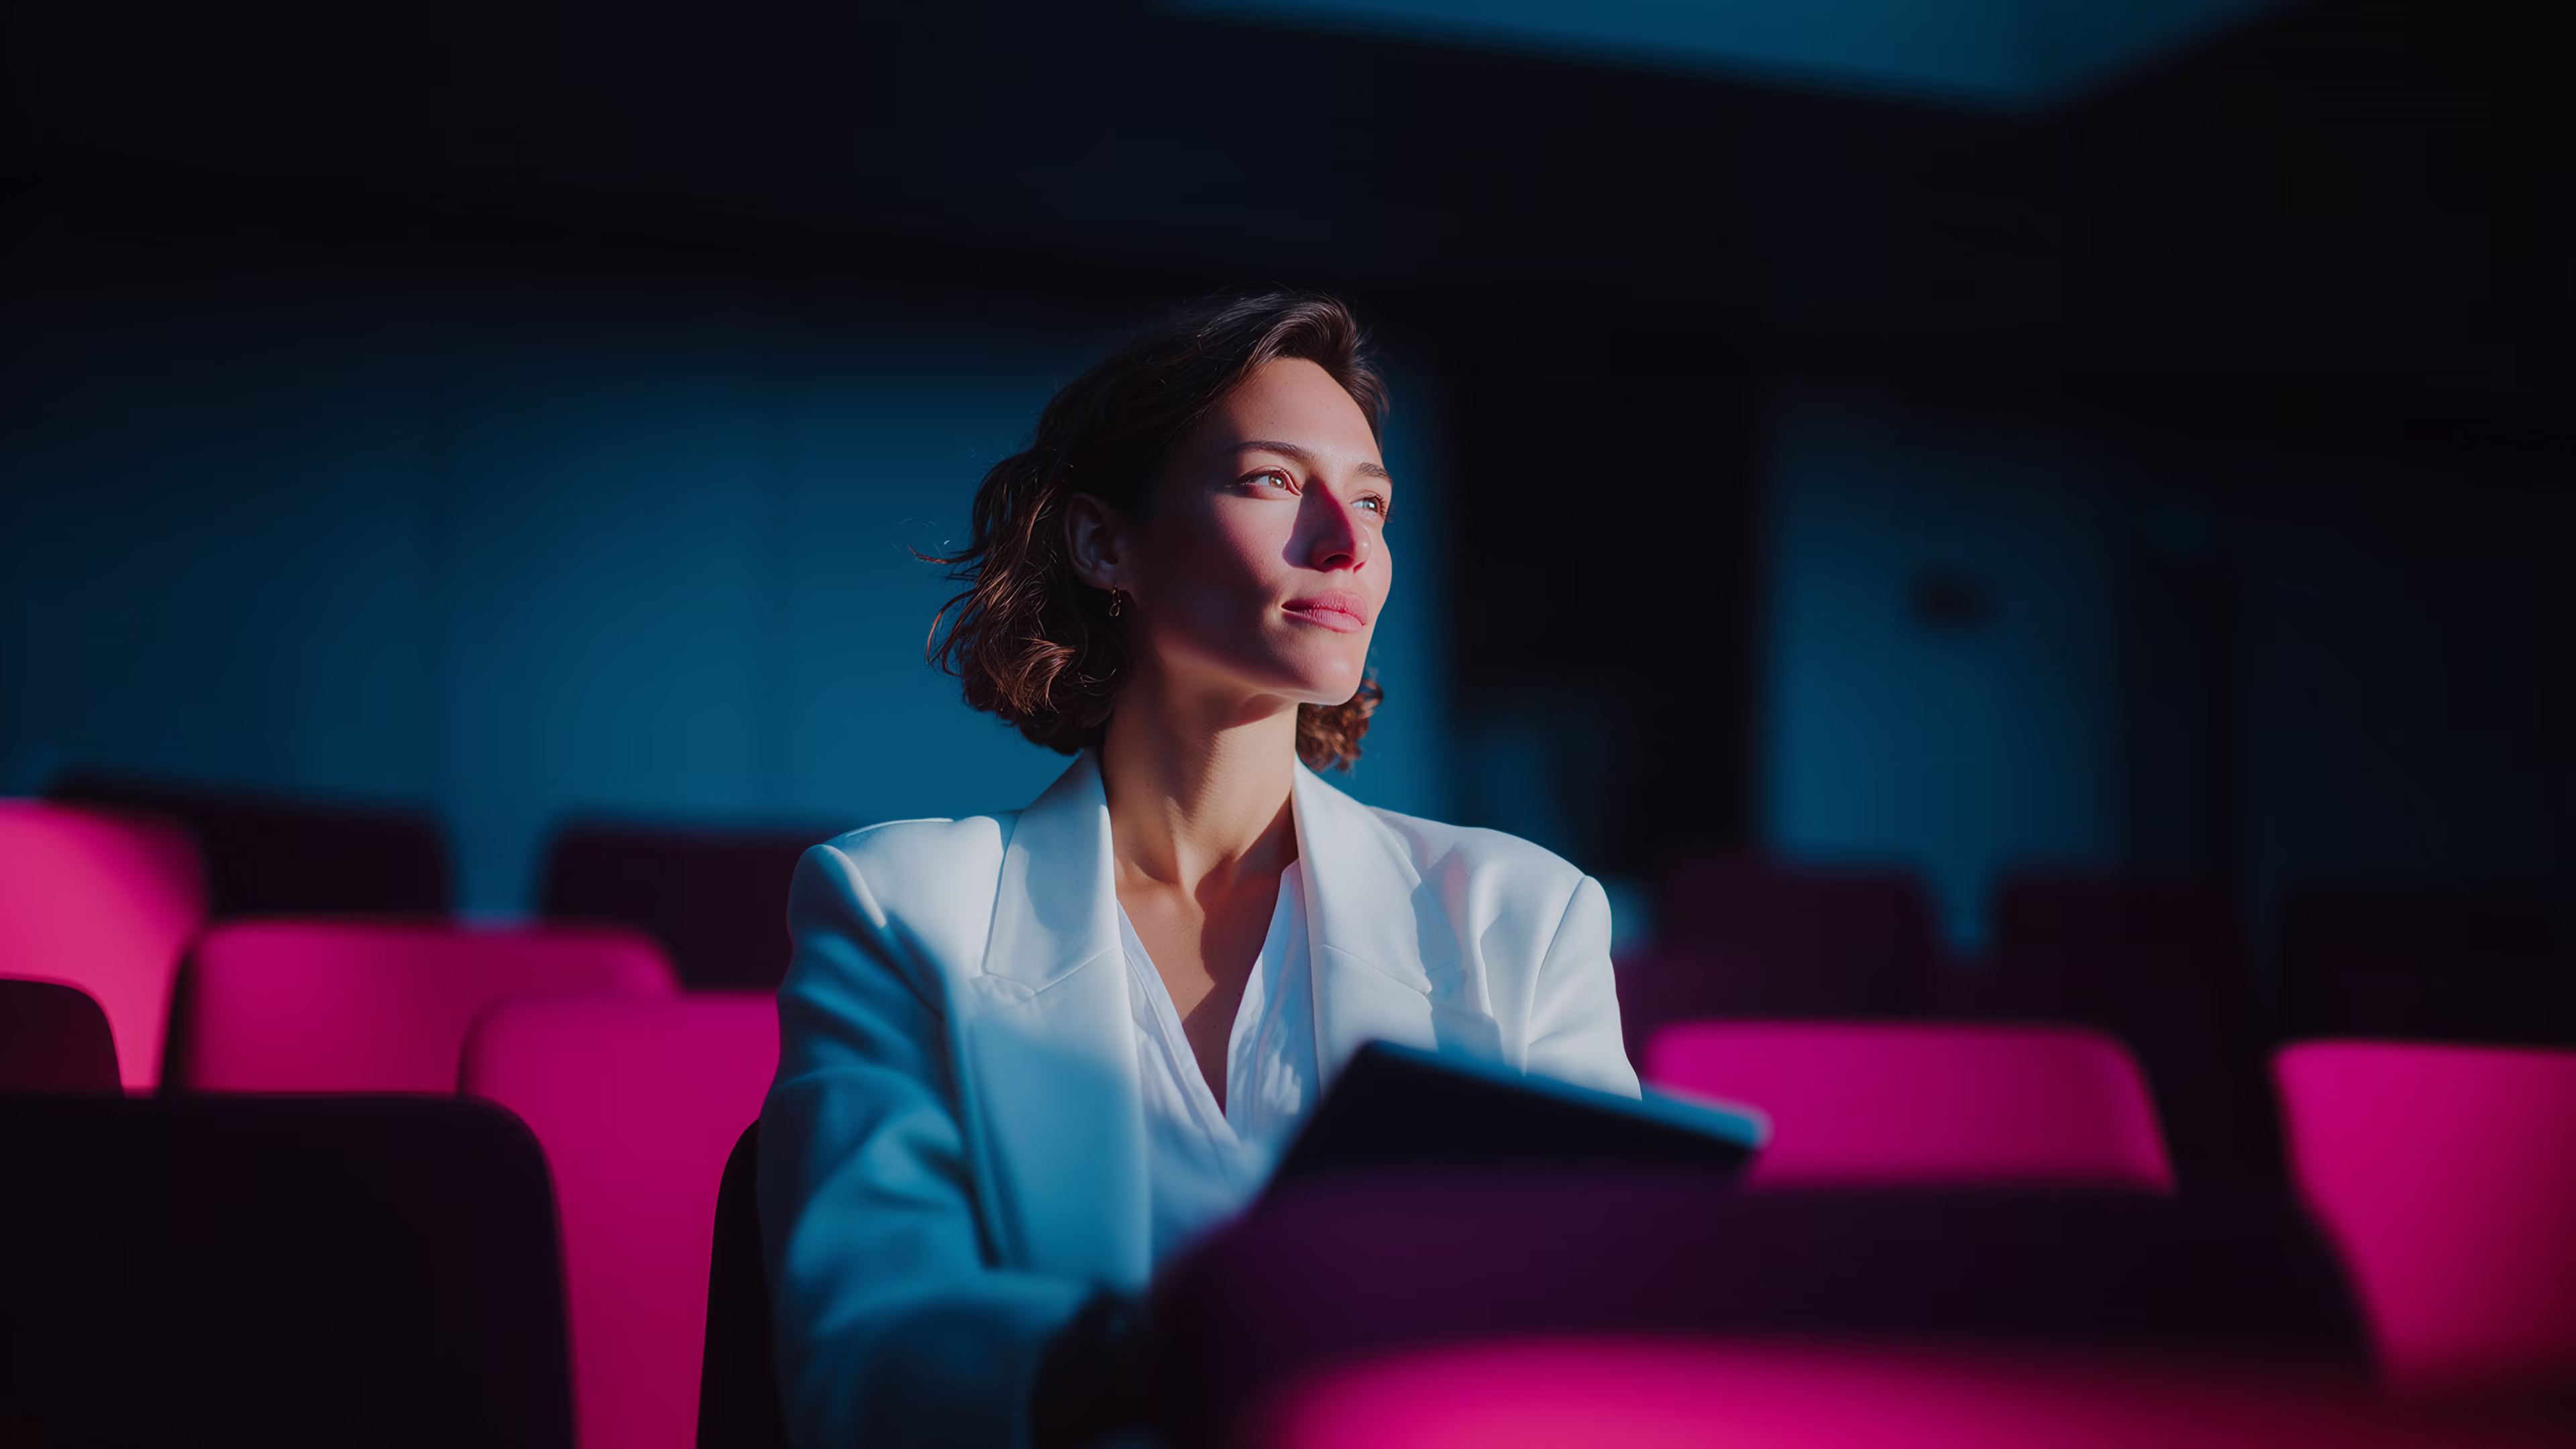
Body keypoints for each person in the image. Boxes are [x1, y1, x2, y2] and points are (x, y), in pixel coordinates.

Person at [759, 292, 1638, 1448]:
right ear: (1102, 542)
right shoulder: (896, 908)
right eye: (1274, 481)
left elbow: (1613, 1329)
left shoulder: (1524, 914)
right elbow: (868, 1357)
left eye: (1373, 500)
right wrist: (1208, 1340)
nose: (1349, 541)